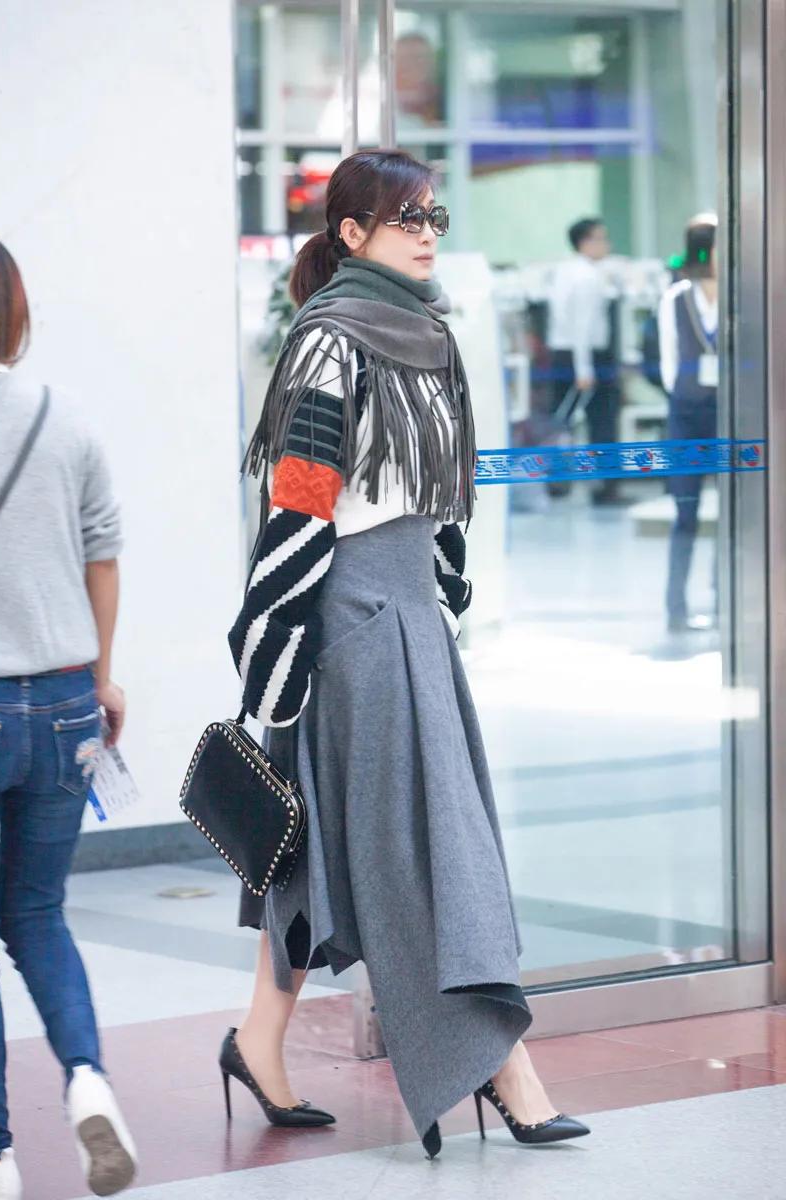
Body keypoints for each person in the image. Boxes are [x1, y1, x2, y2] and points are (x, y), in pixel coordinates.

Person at [223, 150, 590, 1158]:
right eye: (405, 217)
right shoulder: (327, 342)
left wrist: (443, 592)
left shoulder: (428, 336)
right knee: (419, 850)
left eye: (434, 216)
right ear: (351, 234)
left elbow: (442, 495)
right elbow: (299, 502)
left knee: (327, 843)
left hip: (412, 616)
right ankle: (504, 1071)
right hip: (347, 620)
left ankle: (257, 1041)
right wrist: (279, 642)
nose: (427, 233)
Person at [0, 234, 137, 1199]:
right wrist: (103, 679)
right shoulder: (65, 415)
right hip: (67, 705)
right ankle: (87, 1080)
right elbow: (103, 556)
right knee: (37, 912)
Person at [658, 214, 719, 634]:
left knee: (735, 512)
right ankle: (676, 606)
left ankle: (724, 599)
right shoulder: (676, 297)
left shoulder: (740, 293)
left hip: (731, 416)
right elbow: (669, 360)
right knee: (686, 513)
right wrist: (686, 393)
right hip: (686, 414)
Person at [548, 216, 622, 504]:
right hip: (586, 357)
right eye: (602, 238)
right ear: (584, 242)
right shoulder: (587, 277)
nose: (607, 245)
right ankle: (606, 486)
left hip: (565, 355)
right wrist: (584, 368)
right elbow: (582, 325)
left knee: (563, 420)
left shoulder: (566, 271)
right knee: (602, 422)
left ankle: (557, 482)